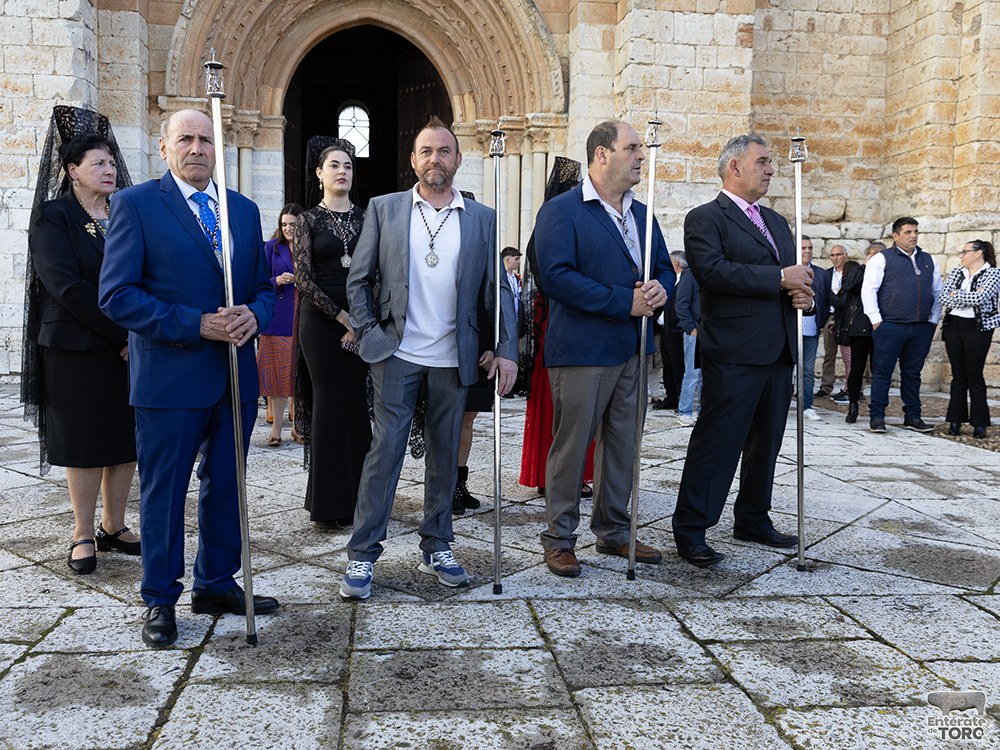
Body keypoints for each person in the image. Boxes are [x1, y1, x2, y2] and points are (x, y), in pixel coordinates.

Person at [99, 109, 279, 648]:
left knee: (227, 485)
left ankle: (216, 582)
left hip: (236, 378)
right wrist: (194, 324)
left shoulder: (243, 211)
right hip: (170, 377)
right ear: (164, 147)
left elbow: (265, 288)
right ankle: (159, 598)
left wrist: (255, 314)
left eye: (205, 139)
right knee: (165, 491)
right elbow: (117, 296)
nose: (197, 148)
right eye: (186, 139)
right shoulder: (135, 205)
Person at [340, 117, 517, 600]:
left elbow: (498, 289)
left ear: (458, 160)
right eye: (426, 151)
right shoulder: (385, 208)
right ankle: (361, 555)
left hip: (453, 357)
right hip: (397, 352)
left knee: (444, 456)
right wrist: (370, 333)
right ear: (413, 160)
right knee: (386, 452)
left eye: (444, 151)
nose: (435, 158)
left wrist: (505, 349)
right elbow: (358, 280)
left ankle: (438, 543)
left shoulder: (482, 217)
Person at [534, 120, 674, 577]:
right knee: (572, 448)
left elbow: (663, 269)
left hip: (634, 350)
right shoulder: (563, 210)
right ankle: (559, 538)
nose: (641, 156)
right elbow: (555, 276)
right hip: (582, 350)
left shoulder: (642, 213)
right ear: (601, 155)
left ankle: (614, 529)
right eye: (632, 148)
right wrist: (624, 301)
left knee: (623, 445)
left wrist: (661, 291)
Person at [672, 133, 815, 568]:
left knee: (767, 441)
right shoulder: (704, 218)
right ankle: (692, 528)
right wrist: (778, 279)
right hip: (734, 348)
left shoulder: (777, 222)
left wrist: (806, 296)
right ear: (734, 167)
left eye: (771, 162)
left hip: (779, 348)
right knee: (719, 441)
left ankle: (753, 516)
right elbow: (714, 273)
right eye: (763, 162)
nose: (771, 169)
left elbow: (797, 278)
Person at [21, 109, 139, 575]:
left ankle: (114, 524)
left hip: (129, 348)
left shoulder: (125, 211)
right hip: (76, 347)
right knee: (86, 440)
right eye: (98, 164)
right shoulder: (54, 216)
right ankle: (83, 533)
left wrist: (142, 330)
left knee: (125, 438)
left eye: (111, 163)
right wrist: (125, 331)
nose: (110, 171)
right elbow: (65, 287)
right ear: (72, 170)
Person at [293, 137, 371, 529]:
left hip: (362, 320)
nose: (343, 172)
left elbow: (375, 271)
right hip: (321, 323)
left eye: (349, 166)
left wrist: (362, 321)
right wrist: (343, 318)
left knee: (356, 405)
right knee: (328, 405)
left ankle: (361, 501)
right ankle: (327, 505)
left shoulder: (366, 216)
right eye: (335, 166)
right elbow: (303, 280)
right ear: (320, 173)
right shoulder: (306, 220)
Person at [518, 158, 596, 500]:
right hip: (557, 324)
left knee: (575, 406)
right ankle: (554, 476)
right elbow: (552, 279)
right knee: (559, 404)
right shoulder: (551, 224)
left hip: (567, 323)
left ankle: (562, 474)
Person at [861, 217, 942, 434]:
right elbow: (868, 291)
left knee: (913, 373)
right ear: (895, 236)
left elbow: (937, 292)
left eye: (915, 231)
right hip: (890, 326)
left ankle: (912, 417)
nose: (913, 235)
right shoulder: (881, 259)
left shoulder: (928, 260)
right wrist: (877, 322)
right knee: (882, 372)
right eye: (908, 232)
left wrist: (933, 320)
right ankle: (877, 417)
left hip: (920, 327)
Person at [940, 239, 1000, 438]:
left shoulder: (993, 273)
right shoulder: (957, 272)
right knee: (958, 376)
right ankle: (955, 422)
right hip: (954, 325)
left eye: (965, 252)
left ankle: (980, 424)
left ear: (978, 253)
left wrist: (956, 294)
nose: (961, 256)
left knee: (974, 375)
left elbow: (980, 299)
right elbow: (943, 297)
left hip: (978, 328)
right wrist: (967, 294)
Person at [258, 202, 304, 446]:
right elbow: (258, 280)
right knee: (276, 375)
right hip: (278, 317)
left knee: (299, 373)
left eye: (293, 225)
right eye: (284, 224)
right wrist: (277, 280)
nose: (287, 228)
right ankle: (276, 429)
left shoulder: (310, 247)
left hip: (305, 316)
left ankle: (298, 426)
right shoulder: (270, 247)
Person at [832, 252, 871, 423]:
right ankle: (853, 405)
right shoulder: (859, 273)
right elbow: (849, 286)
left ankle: (877, 410)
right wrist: (865, 267)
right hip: (860, 326)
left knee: (880, 369)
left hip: (881, 326)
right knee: (856, 367)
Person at [799, 237, 829, 422]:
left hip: (811, 331)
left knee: (808, 369)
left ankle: (807, 406)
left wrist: (820, 325)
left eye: (810, 247)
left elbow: (825, 302)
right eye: (803, 247)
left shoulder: (821, 274)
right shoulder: (785, 271)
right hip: (789, 331)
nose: (807, 251)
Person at [818, 244, 850, 400]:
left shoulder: (851, 273)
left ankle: (853, 388)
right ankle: (826, 387)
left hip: (846, 317)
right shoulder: (826, 274)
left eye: (838, 254)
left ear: (846, 255)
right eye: (832, 255)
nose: (835, 258)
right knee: (829, 353)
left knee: (850, 355)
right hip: (830, 316)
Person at [674, 251, 701, 427]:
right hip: (695, 333)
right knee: (691, 374)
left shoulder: (714, 275)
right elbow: (681, 304)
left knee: (709, 376)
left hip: (713, 333)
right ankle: (684, 412)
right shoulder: (689, 274)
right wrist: (691, 329)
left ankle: (703, 413)